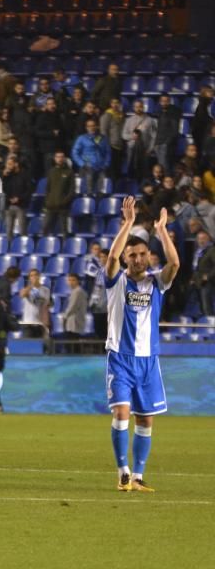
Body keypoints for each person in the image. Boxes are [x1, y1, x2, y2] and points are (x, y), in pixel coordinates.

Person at [104, 197, 179, 492]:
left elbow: (174, 263)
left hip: (148, 361)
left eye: (142, 254)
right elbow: (110, 259)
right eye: (132, 255)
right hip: (120, 358)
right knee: (122, 412)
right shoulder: (115, 281)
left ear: (149, 256)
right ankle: (122, 471)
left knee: (145, 419)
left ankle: (138, 475)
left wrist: (161, 230)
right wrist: (128, 224)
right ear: (126, 258)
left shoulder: (156, 283)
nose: (137, 259)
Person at [71, 119, 110, 197]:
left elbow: (108, 152)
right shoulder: (81, 138)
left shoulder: (103, 138)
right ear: (86, 128)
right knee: (88, 192)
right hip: (87, 168)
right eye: (89, 126)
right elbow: (75, 153)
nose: (91, 128)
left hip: (101, 168)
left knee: (101, 193)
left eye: (93, 126)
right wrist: (82, 164)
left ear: (97, 127)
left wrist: (106, 164)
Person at [43, 151, 75, 236]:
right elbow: (47, 188)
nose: (60, 159)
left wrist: (64, 201)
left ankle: (65, 247)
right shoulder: (51, 171)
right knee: (45, 228)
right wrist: (48, 201)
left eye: (61, 157)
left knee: (64, 230)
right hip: (51, 206)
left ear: (64, 159)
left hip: (63, 207)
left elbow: (72, 190)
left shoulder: (69, 172)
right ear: (55, 159)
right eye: (58, 157)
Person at [0, 155, 32, 239]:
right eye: (7, 164)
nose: (8, 166)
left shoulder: (25, 175)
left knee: (22, 230)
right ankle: (9, 248)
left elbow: (29, 191)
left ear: (16, 164)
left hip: (21, 206)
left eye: (10, 164)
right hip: (9, 205)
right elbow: (4, 189)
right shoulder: (8, 176)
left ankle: (23, 247)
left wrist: (19, 198)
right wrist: (4, 177)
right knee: (8, 230)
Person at [19, 269, 51, 339]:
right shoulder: (27, 289)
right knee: (28, 346)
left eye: (35, 275)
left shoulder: (45, 290)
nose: (34, 277)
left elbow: (45, 306)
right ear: (29, 278)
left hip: (39, 323)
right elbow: (22, 294)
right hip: (28, 323)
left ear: (39, 276)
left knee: (39, 347)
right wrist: (31, 286)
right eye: (31, 276)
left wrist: (46, 322)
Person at [60, 273, 88, 347]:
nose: (71, 282)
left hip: (75, 322)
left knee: (73, 345)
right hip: (73, 322)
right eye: (69, 280)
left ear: (77, 281)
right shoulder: (75, 291)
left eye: (73, 280)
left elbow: (73, 307)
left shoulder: (78, 291)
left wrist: (64, 316)